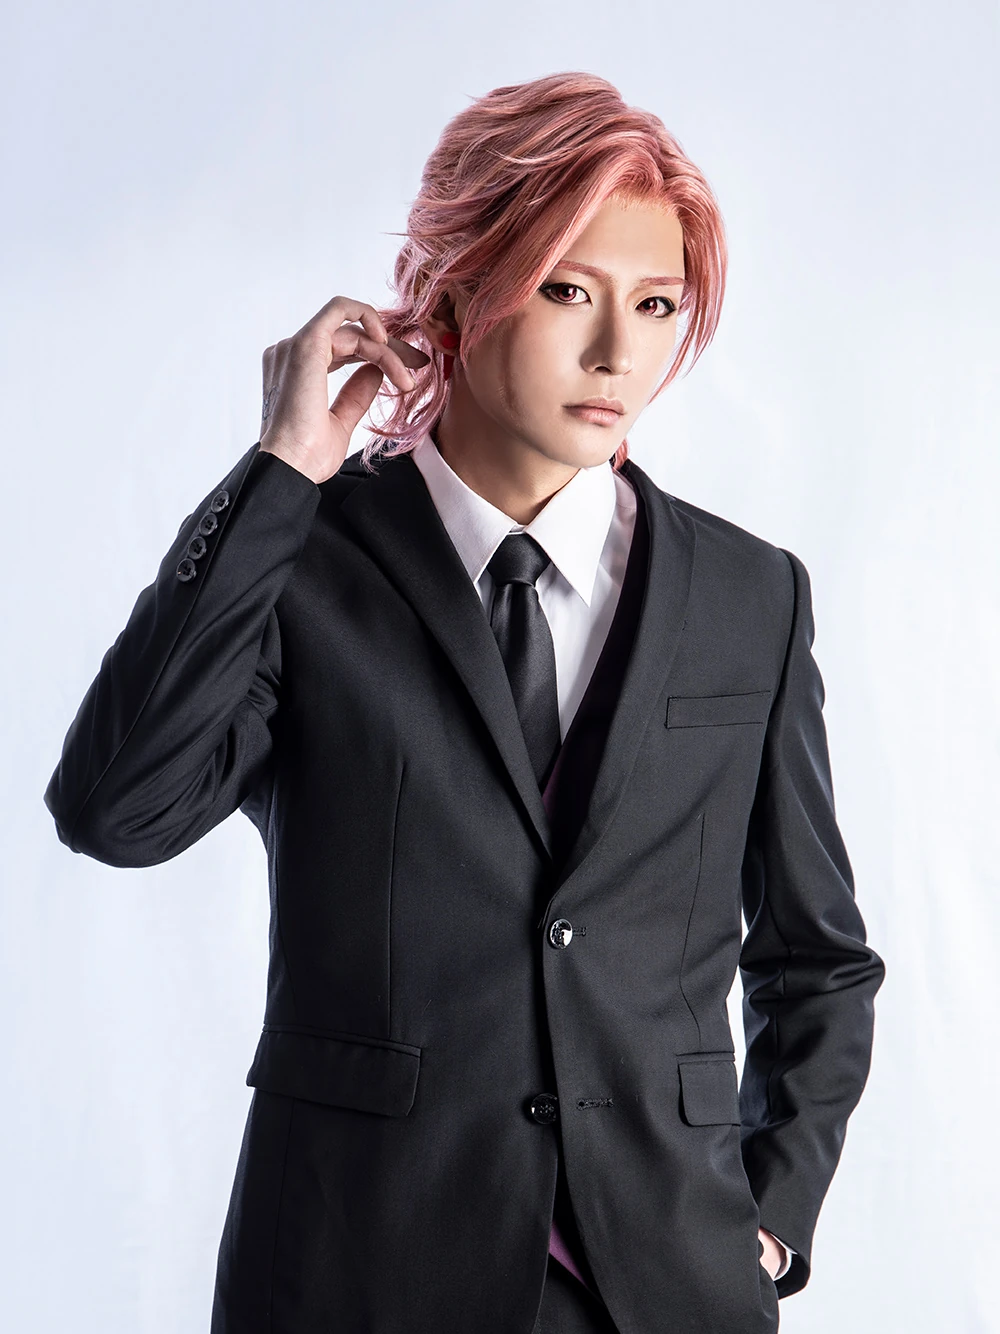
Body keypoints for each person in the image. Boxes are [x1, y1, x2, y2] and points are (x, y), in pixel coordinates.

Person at [43, 71, 885, 1333]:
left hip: (663, 1287)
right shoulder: (302, 564)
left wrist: (766, 1220)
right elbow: (117, 810)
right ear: (454, 293)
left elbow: (817, 958)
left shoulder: (749, 595)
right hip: (355, 1274)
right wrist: (281, 472)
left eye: (656, 304)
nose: (618, 354)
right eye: (566, 291)